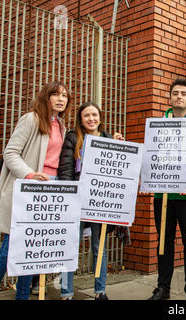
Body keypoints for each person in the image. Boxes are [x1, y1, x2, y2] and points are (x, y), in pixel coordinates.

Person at [0, 81, 70, 300]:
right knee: (9, 251)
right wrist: (30, 174)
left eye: (65, 95)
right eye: (56, 95)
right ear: (46, 97)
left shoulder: (61, 125)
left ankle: (22, 297)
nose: (61, 99)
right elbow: (11, 153)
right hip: (28, 189)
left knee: (32, 251)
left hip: (51, 191)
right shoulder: (31, 119)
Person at [147, 78, 186, 300]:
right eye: (175, 93)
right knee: (164, 241)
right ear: (169, 97)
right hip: (163, 195)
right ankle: (162, 288)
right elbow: (151, 156)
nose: (179, 96)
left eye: (183, 93)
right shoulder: (157, 124)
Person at [57, 101, 123, 300]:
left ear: (100, 118)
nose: (91, 119)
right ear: (81, 120)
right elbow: (66, 169)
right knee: (70, 246)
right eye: (86, 115)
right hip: (77, 200)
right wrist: (69, 197)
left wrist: (120, 146)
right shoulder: (72, 137)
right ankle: (67, 292)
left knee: (99, 246)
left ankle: (100, 291)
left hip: (99, 201)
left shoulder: (108, 139)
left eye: (94, 115)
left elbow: (119, 170)